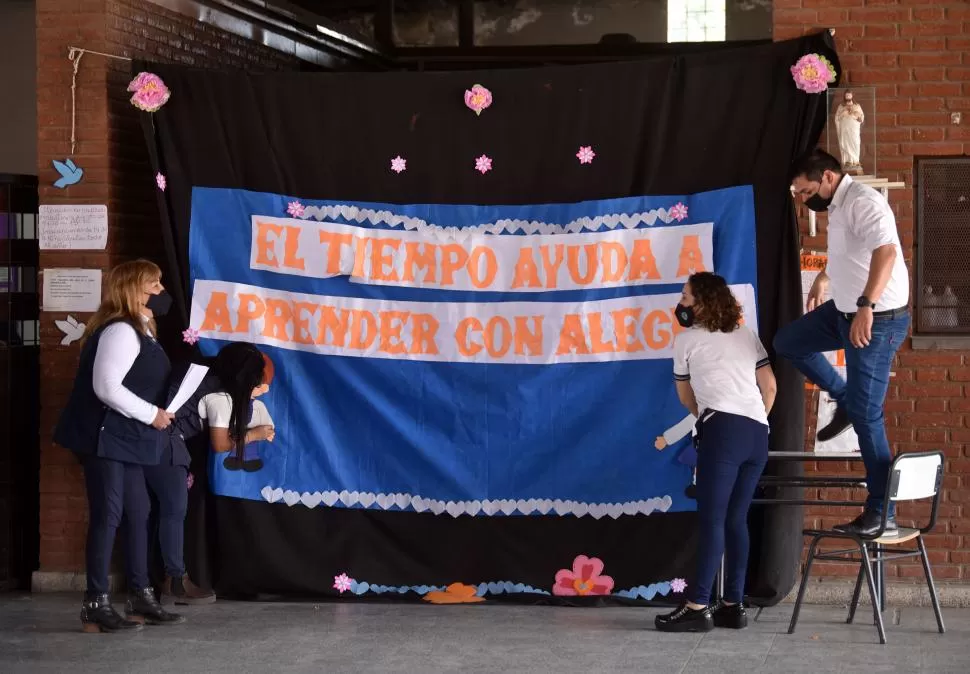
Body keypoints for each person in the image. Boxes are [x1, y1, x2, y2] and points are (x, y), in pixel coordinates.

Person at [777, 148, 910, 537]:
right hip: (843, 310)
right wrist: (824, 277)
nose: (802, 200)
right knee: (788, 342)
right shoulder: (837, 204)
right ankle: (844, 397)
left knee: (869, 419)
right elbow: (853, 254)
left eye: (804, 192)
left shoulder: (865, 202)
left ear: (827, 178)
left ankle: (882, 510)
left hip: (877, 319)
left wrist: (867, 305)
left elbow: (886, 252)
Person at [54, 259, 185, 632]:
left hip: (125, 439)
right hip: (103, 437)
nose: (162, 292)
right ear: (133, 290)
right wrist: (152, 415)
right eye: (154, 285)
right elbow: (106, 388)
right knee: (108, 515)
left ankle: (141, 594)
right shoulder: (120, 332)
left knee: (138, 511)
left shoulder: (143, 329)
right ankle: (95, 604)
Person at [655, 272, 776, 633]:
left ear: (702, 303)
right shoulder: (746, 335)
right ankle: (733, 606)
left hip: (723, 431)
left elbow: (684, 396)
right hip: (758, 433)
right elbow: (769, 386)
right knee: (736, 520)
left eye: (686, 297)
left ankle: (696, 606)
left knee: (711, 520)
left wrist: (713, 422)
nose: (681, 303)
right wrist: (751, 422)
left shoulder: (686, 340)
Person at [146, 364, 217, 606]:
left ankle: (155, 582)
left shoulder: (195, 378)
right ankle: (175, 579)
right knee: (172, 510)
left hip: (160, 442)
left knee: (153, 512)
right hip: (163, 443)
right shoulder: (205, 384)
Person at [201, 343, 276, 473]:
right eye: (255, 383)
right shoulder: (220, 399)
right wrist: (253, 435)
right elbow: (220, 445)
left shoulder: (212, 378)